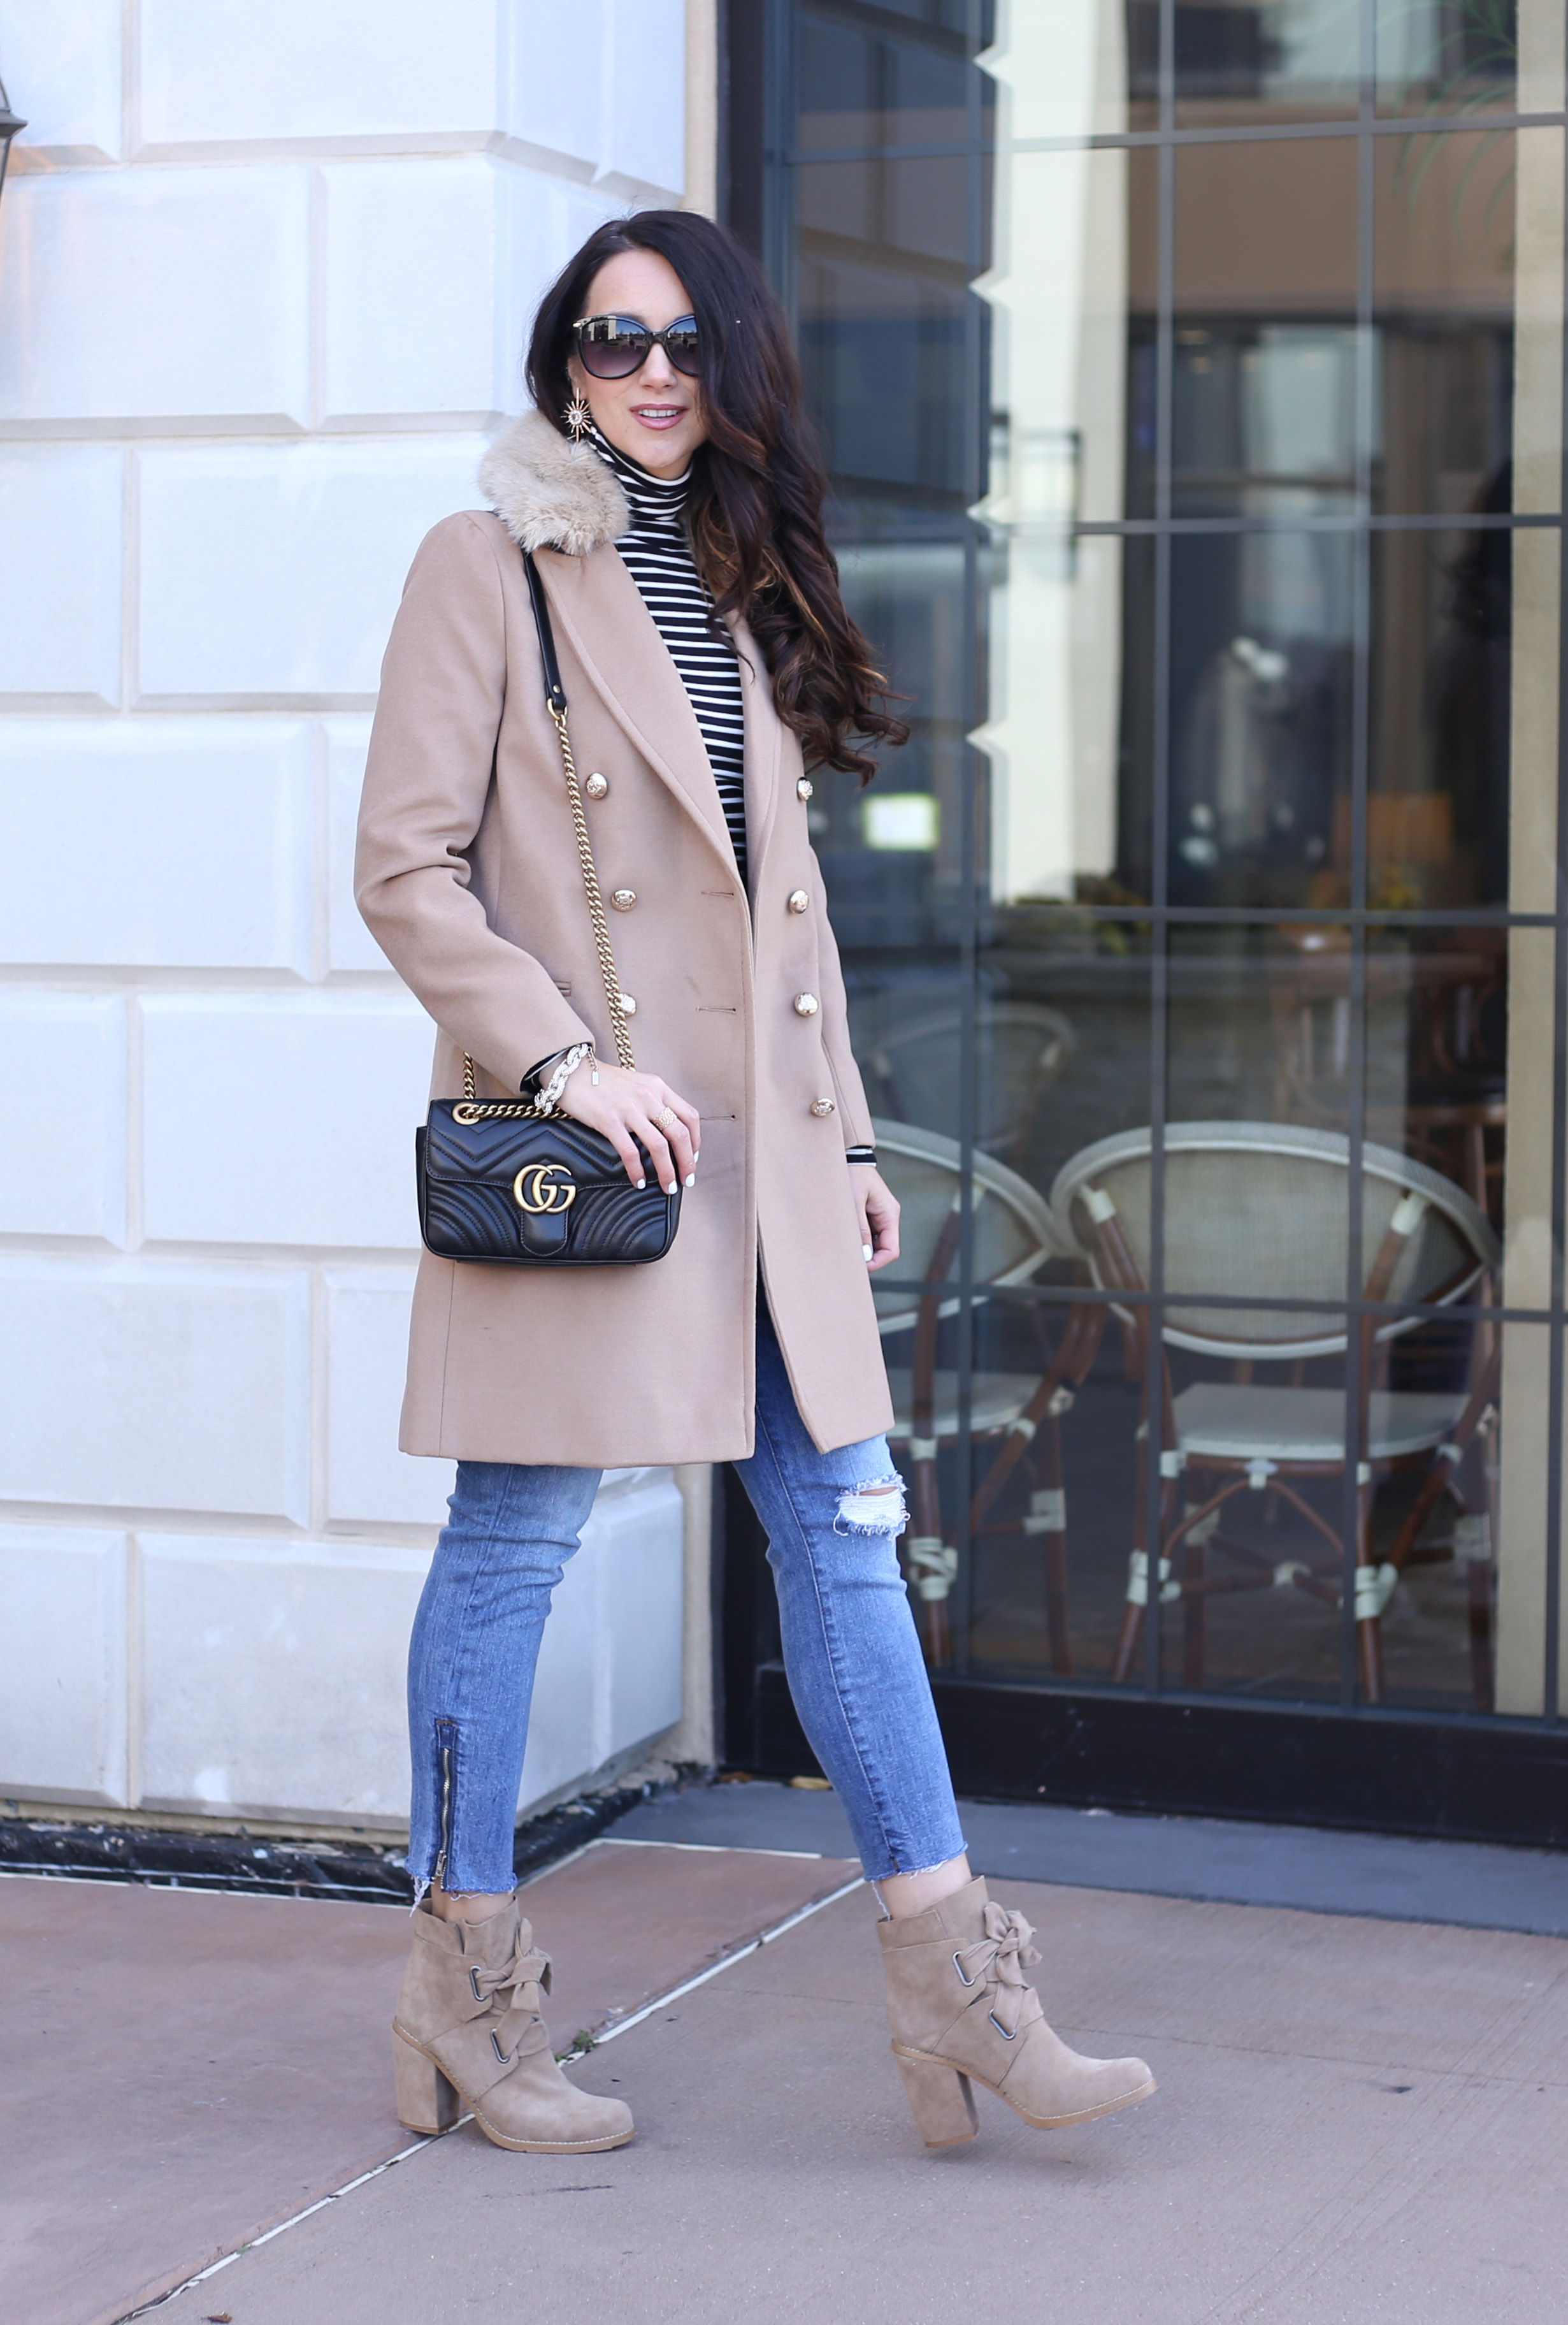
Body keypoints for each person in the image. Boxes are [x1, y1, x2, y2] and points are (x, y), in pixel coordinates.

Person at [354, 210, 1154, 2158]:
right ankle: (462, 1996)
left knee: (846, 1540)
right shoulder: (491, 565)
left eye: (686, 342)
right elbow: (402, 870)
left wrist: (850, 1141)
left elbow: (786, 916)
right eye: (613, 338)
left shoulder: (736, 571)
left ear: (734, 371)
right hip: (598, 1150)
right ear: (566, 359)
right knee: (517, 1544)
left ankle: (955, 1987)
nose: (648, 371)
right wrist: (563, 1061)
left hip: (766, 1169)